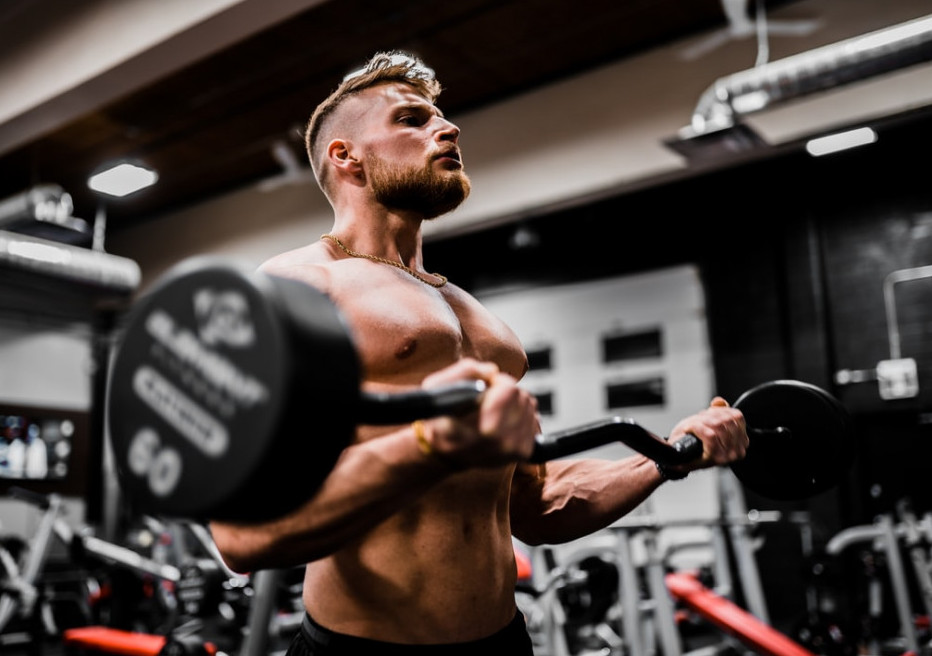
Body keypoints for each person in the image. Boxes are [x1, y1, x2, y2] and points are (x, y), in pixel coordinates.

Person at [208, 50, 749, 654]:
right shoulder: (295, 288)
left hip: (503, 642)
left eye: (440, 117)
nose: (448, 128)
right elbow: (242, 536)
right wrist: (426, 445)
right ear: (346, 156)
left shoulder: (476, 318)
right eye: (412, 119)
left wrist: (670, 456)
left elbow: (536, 505)